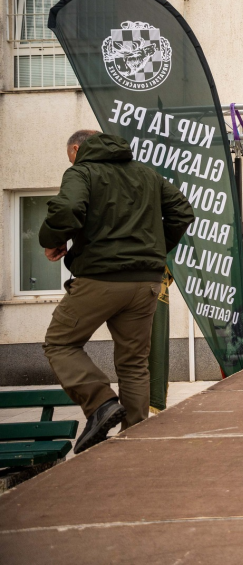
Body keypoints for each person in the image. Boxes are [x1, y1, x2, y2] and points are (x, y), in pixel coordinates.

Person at [39, 130, 194, 454]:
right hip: (147, 281)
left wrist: (53, 239)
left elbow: (67, 209)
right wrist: (154, 249)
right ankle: (134, 442)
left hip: (101, 279)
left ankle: (101, 402)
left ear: (77, 149)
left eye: (71, 155)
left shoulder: (82, 170)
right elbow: (182, 211)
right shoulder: (146, 174)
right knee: (134, 362)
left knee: (60, 342)